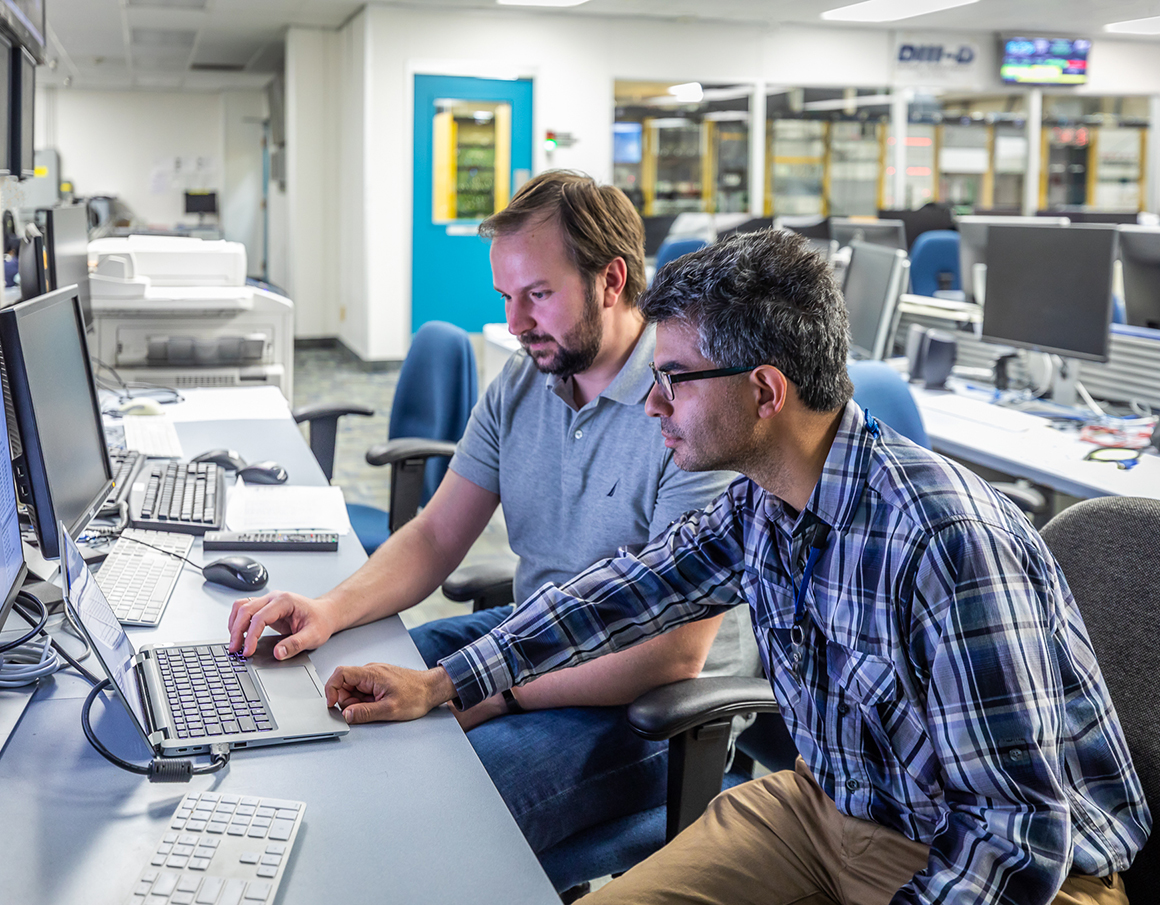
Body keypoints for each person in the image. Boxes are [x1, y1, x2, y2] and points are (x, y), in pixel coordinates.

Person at [317, 228, 1150, 905]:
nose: (650, 404)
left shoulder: (944, 542)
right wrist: (447, 682)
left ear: (764, 391)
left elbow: (1016, 839)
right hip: (825, 808)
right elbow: (621, 595)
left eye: (673, 380)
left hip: (1022, 874)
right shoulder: (764, 498)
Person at [228, 170, 756, 863]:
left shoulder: (687, 401)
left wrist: (488, 691)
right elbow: (437, 532)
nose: (514, 323)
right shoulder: (525, 377)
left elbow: (671, 652)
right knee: (347, 672)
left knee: (445, 795)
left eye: (537, 295)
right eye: (507, 297)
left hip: (653, 706)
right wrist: (329, 609)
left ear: (611, 280)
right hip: (536, 630)